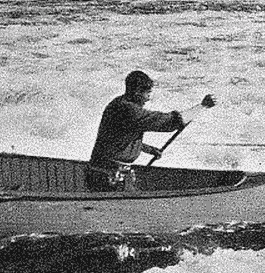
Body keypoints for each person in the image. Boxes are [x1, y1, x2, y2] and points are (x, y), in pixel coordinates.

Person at [87, 70, 215, 190]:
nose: (148, 98)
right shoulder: (129, 110)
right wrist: (202, 106)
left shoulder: (118, 103)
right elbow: (171, 122)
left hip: (105, 173)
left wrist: (149, 149)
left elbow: (118, 139)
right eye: (147, 93)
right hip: (107, 178)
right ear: (137, 92)